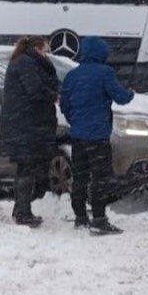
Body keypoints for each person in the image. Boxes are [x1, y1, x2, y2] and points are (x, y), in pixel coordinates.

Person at [59, 37, 134, 235]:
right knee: (101, 177)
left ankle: (80, 216)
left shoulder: (72, 75)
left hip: (78, 136)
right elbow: (121, 97)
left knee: (80, 177)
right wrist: (130, 93)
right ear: (101, 53)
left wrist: (75, 120)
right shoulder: (105, 73)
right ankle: (99, 219)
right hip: (98, 135)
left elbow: (64, 105)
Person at [0, 36, 60, 227]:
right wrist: (54, 96)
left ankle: (21, 210)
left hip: (25, 124)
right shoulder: (26, 63)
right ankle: (23, 212)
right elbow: (35, 89)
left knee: (26, 167)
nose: (46, 54)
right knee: (27, 168)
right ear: (37, 48)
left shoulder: (24, 61)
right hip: (26, 125)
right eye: (45, 50)